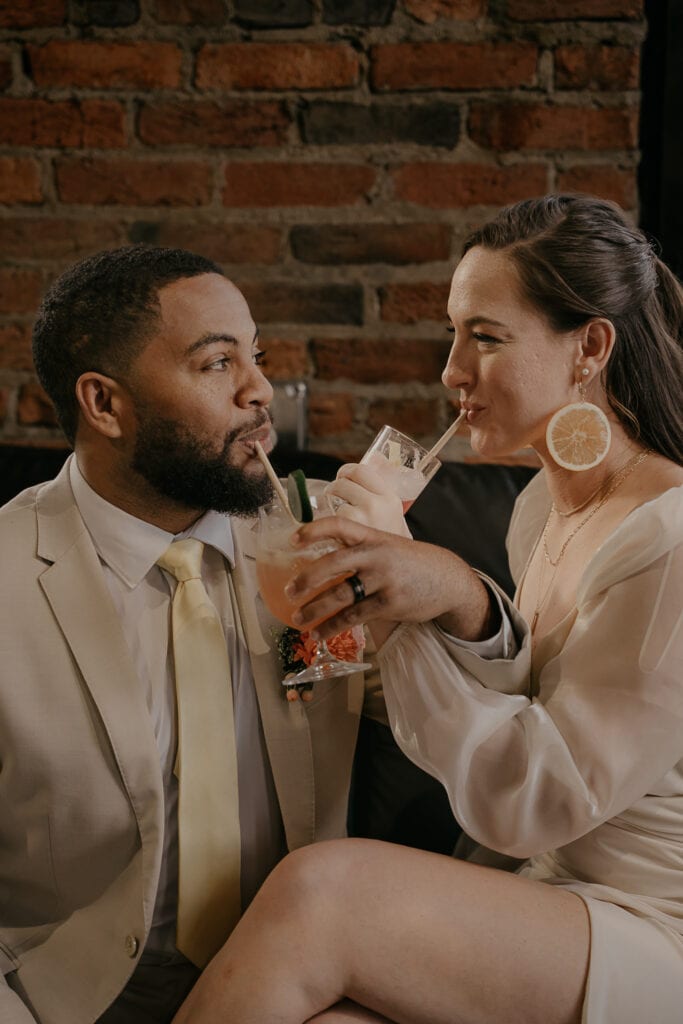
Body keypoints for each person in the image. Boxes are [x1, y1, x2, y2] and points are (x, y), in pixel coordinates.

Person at [170, 194, 683, 1024]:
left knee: (323, 887)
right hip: (549, 901)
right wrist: (422, 599)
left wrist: (400, 602)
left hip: (652, 929)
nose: (450, 370)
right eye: (453, 334)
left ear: (589, 347)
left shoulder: (670, 535)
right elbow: (523, 704)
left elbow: (534, 801)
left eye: (483, 337)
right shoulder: (540, 511)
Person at [0, 245, 399, 1024]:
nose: (260, 392)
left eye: (257, 357)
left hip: (301, 990)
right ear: (104, 404)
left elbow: (476, 731)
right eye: (217, 363)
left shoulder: (325, 539)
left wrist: (452, 599)